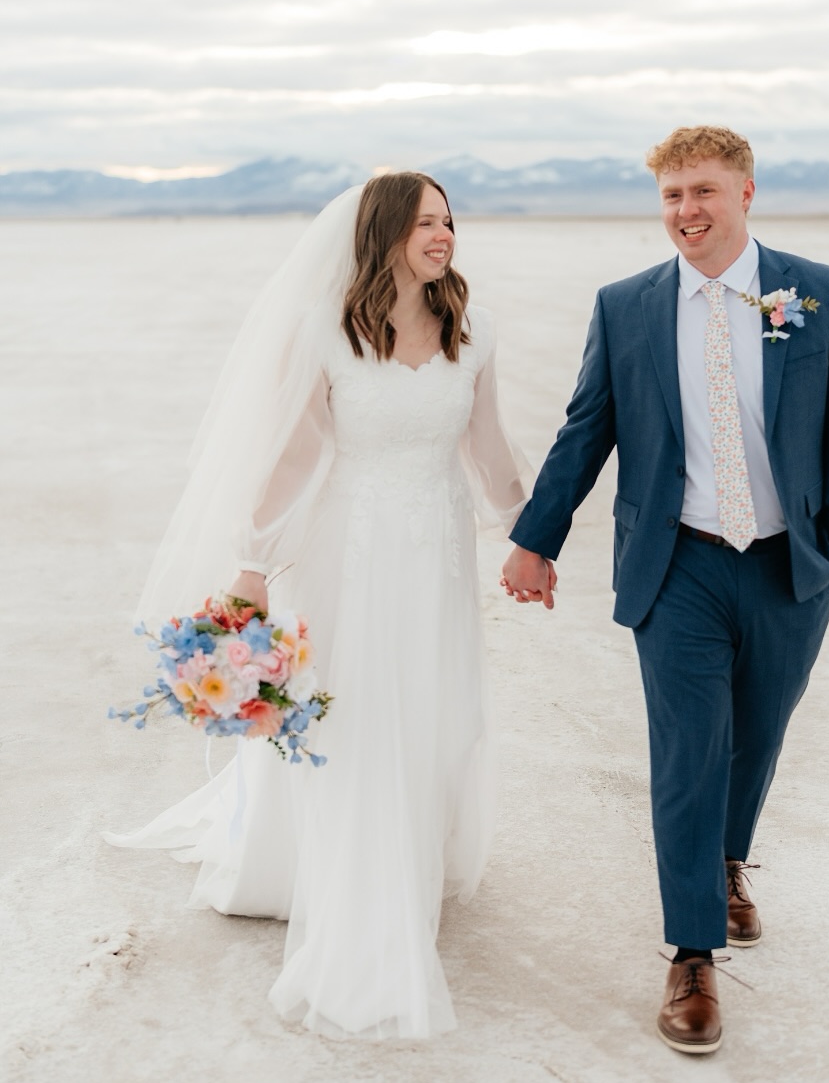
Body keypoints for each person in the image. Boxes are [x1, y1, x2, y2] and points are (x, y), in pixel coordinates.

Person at [108, 173, 531, 1039]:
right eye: (425, 223)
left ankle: (414, 851)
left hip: (437, 551)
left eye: (449, 220)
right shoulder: (326, 332)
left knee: (432, 707)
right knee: (356, 712)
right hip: (350, 551)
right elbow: (291, 459)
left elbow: (488, 446)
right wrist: (254, 565)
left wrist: (531, 533)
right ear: (383, 234)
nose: (444, 234)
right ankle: (344, 875)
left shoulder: (473, 329)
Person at [501, 125, 829, 1054]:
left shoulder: (816, 292)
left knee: (757, 737)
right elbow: (586, 430)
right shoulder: (626, 306)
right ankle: (694, 951)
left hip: (790, 561)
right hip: (678, 565)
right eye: (670, 196)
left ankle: (727, 860)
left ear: (746, 192)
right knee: (689, 750)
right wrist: (534, 541)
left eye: (703, 192)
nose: (686, 212)